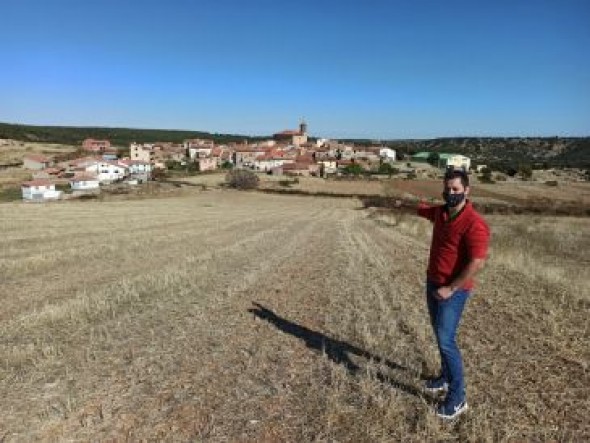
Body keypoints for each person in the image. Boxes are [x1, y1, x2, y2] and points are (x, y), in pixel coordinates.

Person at [417, 168, 490, 420]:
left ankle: (458, 398)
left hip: (453, 291)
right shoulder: (440, 212)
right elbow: (423, 210)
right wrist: (402, 203)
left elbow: (477, 262)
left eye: (456, 190)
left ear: (467, 191)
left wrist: (451, 288)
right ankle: (445, 378)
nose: (451, 193)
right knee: (439, 335)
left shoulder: (474, 224)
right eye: (447, 189)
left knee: (447, 341)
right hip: (433, 283)